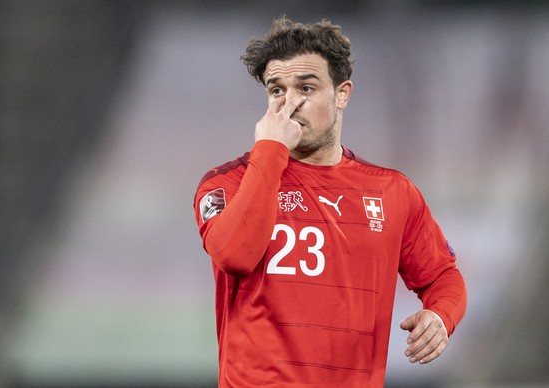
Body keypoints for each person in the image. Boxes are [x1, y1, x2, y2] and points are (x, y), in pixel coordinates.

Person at [193, 16, 467, 387]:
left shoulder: (392, 192)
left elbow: (442, 277)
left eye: (305, 88)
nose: (289, 104)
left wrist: (441, 316)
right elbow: (234, 255)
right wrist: (270, 150)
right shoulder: (227, 183)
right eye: (276, 90)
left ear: (342, 94)